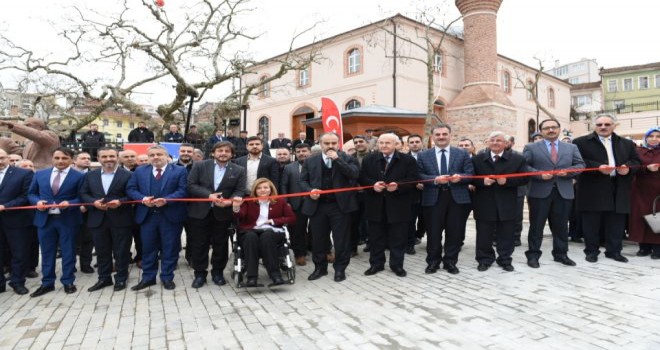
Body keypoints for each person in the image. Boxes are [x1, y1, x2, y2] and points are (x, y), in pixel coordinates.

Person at [573, 114, 641, 263]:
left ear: (614, 125)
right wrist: (597, 167)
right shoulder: (580, 142)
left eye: (607, 124)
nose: (603, 127)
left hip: (618, 186)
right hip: (592, 187)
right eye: (599, 124)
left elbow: (636, 161)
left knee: (616, 223)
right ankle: (591, 251)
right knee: (591, 223)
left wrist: (628, 168)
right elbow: (577, 161)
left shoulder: (626, 143)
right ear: (594, 126)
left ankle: (614, 251)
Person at [523, 119, 585, 268]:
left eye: (554, 127)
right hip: (539, 192)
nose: (550, 130)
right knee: (536, 226)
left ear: (559, 129)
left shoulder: (571, 147)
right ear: (541, 131)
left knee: (561, 226)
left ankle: (561, 254)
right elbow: (524, 166)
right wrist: (539, 174)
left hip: (563, 192)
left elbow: (580, 164)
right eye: (546, 128)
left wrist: (569, 172)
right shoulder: (531, 147)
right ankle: (533, 255)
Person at [126, 145, 188, 290]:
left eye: (159, 154)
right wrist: (142, 199)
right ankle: (148, 278)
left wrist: (167, 200)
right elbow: (131, 189)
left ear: (167, 156)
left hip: (170, 216)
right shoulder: (140, 171)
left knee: (170, 248)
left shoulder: (179, 171)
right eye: (152, 155)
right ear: (148, 157)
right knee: (148, 249)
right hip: (147, 217)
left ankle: (167, 277)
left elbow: (183, 190)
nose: (155, 157)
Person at [300, 132, 360, 282]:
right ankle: (320, 268)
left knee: (341, 239)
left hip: (340, 206)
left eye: (333, 143)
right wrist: (310, 191)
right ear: (320, 145)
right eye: (327, 143)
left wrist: (338, 160)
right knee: (319, 239)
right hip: (318, 206)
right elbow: (303, 181)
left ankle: (340, 269)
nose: (330, 146)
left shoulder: (348, 158)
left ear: (338, 144)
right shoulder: (310, 161)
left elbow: (353, 174)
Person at [187, 141, 246, 288]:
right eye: (220, 150)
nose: (223, 153)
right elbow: (191, 185)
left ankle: (217, 272)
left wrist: (230, 202)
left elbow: (239, 191)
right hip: (200, 212)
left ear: (232, 154)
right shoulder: (200, 165)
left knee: (220, 245)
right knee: (199, 244)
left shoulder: (239, 170)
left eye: (227, 151)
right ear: (213, 153)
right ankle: (200, 274)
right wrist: (209, 195)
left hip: (223, 213)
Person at [27, 147, 85, 297]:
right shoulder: (40, 175)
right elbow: (31, 193)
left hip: (68, 219)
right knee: (47, 253)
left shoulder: (79, 176)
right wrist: (37, 202)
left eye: (64, 158)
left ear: (71, 160)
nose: (60, 161)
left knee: (69, 252)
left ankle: (68, 281)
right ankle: (47, 283)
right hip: (45, 220)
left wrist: (70, 203)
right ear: (52, 159)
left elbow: (82, 196)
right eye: (57, 158)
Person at [359, 133, 419, 277]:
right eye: (381, 143)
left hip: (398, 206)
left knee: (398, 238)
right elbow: (362, 177)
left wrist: (398, 186)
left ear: (395, 144)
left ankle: (397, 265)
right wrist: (372, 185)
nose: (384, 146)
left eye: (387, 143)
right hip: (375, 205)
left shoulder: (407, 160)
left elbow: (413, 179)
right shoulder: (369, 159)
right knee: (375, 238)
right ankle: (376, 264)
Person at [417, 124, 474, 275]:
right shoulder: (423, 155)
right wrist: (435, 179)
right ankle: (433, 262)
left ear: (450, 135)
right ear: (432, 137)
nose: (441, 137)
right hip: (433, 198)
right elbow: (419, 175)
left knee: (454, 232)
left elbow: (470, 174)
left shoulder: (462, 154)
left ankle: (450, 262)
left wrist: (460, 178)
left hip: (457, 198)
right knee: (433, 233)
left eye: (444, 134)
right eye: (438, 134)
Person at [472, 131, 529, 272]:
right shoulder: (477, 159)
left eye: (499, 140)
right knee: (484, 234)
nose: (495, 143)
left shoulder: (517, 159)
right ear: (487, 142)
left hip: (507, 202)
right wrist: (481, 181)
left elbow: (525, 178)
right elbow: (469, 177)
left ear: (505, 143)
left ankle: (505, 259)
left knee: (507, 233)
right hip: (484, 202)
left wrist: (507, 181)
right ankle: (484, 259)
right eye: (492, 140)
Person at [79, 148, 133, 292]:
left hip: (121, 218)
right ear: (98, 158)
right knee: (102, 251)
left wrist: (120, 201)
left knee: (121, 251)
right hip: (97, 218)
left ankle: (121, 278)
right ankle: (104, 278)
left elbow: (132, 194)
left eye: (112, 156)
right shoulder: (90, 175)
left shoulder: (128, 175)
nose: (108, 159)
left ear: (117, 157)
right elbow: (83, 193)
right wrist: (93, 202)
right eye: (104, 156)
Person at [233, 178, 296, 286]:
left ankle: (275, 275)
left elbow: (292, 218)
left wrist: (273, 221)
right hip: (251, 230)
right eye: (259, 188)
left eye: (265, 187)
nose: (262, 190)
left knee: (267, 236)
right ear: (255, 190)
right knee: (250, 237)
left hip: (271, 231)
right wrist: (236, 207)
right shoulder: (248, 201)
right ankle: (251, 278)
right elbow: (240, 215)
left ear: (271, 189)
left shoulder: (280, 201)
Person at [0, 149, 35, 295]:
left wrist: (6, 206)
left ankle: (18, 282)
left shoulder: (23, 173)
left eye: (2, 158)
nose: (0, 161)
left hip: (16, 220)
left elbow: (26, 196)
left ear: (8, 158)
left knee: (19, 253)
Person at [629, 127, 660, 258]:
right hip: (640, 189)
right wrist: (646, 168)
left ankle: (657, 248)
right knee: (640, 217)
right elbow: (633, 167)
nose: (654, 139)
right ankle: (644, 247)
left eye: (657, 136)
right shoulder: (638, 151)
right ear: (646, 138)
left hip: (658, 190)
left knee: (657, 218)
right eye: (651, 136)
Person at [281, 143, 312, 266]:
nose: (301, 153)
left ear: (309, 152)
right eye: (298, 151)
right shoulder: (289, 167)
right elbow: (283, 185)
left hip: (313, 202)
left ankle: (320, 250)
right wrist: (286, 201)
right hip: (295, 203)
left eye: (304, 151)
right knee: (297, 230)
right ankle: (300, 254)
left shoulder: (316, 165)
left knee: (316, 228)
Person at [72, 152, 94, 273]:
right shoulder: (68, 174)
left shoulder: (93, 175)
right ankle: (71, 264)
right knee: (71, 240)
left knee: (88, 239)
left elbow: (95, 193)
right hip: (71, 212)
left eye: (88, 158)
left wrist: (86, 205)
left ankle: (86, 264)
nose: (87, 160)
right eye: (83, 158)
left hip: (88, 212)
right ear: (74, 161)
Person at [406, 134, 425, 254]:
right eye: (411, 142)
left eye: (417, 141)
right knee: (410, 220)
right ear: (408, 144)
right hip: (410, 195)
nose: (414, 144)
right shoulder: (404, 158)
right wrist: (414, 184)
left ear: (421, 143)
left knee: (426, 219)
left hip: (428, 193)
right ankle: (410, 244)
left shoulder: (430, 155)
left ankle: (419, 235)